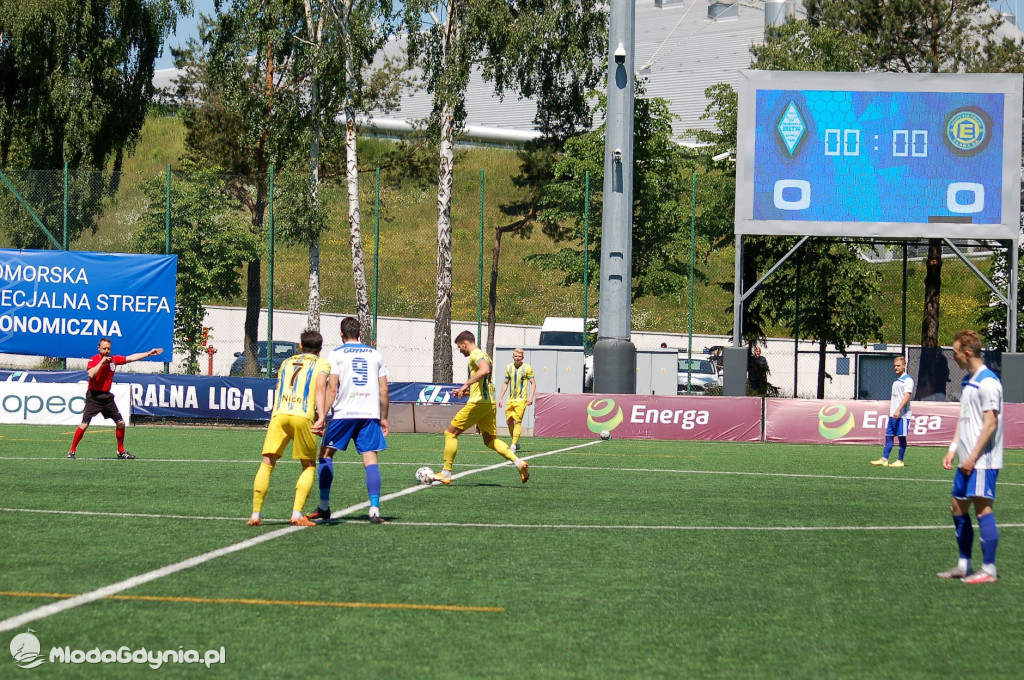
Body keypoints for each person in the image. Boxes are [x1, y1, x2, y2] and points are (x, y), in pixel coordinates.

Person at [937, 329, 1003, 584]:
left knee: (983, 510)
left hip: (982, 460)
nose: (952, 358)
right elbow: (965, 420)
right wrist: (953, 449)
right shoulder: (967, 381)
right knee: (957, 507)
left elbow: (990, 424)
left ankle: (989, 569)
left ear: (966, 353)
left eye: (954, 353)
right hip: (966, 458)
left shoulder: (988, 382)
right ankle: (964, 565)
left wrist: (973, 457)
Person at [309, 317, 389, 525]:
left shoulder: (335, 354)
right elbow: (384, 390)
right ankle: (374, 509)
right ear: (360, 333)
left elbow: (332, 387)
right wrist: (384, 417)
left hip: (344, 413)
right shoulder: (375, 354)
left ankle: (324, 507)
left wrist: (321, 417)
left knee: (325, 454)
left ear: (341, 334)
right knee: (370, 459)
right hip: (369, 414)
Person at [247, 330, 330, 527]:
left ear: (300, 346)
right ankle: (297, 514)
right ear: (320, 349)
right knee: (308, 465)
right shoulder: (322, 363)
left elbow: (278, 387)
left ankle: (255, 515)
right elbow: (320, 387)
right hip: (303, 415)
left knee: (267, 463)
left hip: (280, 414)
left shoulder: (286, 362)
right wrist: (322, 415)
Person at [430, 330, 529, 485]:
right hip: (489, 403)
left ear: (465, 343)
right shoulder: (486, 356)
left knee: (450, 433)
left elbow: (484, 370)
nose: (460, 350)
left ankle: (446, 473)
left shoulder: (475, 355)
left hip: (478, 403)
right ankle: (518, 462)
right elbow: (484, 381)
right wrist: (466, 391)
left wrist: (465, 384)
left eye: (459, 347)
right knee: (490, 441)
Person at [67, 338, 163, 459]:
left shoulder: (114, 360)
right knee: (84, 424)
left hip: (107, 397)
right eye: (104, 348)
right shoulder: (94, 360)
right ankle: (72, 450)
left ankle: (121, 451)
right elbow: (91, 374)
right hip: (94, 396)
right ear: (99, 348)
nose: (107, 351)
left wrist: (149, 353)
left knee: (121, 423)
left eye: (108, 349)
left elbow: (131, 358)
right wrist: (102, 361)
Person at [871, 355, 914, 468]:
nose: (896, 368)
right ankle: (884, 459)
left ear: (904, 366)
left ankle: (900, 460)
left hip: (903, 415)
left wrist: (899, 410)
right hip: (893, 414)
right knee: (889, 436)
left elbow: (907, 396)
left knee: (901, 437)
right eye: (894, 366)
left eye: (898, 365)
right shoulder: (896, 380)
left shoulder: (908, 380)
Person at [497, 348, 536, 454]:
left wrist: (531, 397)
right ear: (513, 357)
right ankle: (517, 442)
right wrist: (500, 397)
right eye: (516, 356)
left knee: (517, 421)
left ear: (522, 357)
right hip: (510, 399)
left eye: (519, 357)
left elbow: (533, 383)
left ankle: (513, 445)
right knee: (509, 421)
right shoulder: (509, 367)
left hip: (521, 399)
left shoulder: (527, 368)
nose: (517, 358)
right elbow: (505, 383)